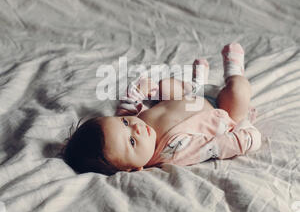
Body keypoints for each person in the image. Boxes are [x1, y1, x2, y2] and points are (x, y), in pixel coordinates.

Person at [62, 43, 261, 175]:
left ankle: (197, 83)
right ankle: (234, 71)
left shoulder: (132, 124)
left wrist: (140, 91)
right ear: (134, 169)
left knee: (165, 86)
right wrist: (244, 140)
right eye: (132, 141)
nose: (136, 127)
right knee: (239, 93)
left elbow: (125, 108)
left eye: (124, 123)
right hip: (222, 111)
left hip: (191, 97)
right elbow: (213, 146)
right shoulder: (172, 152)